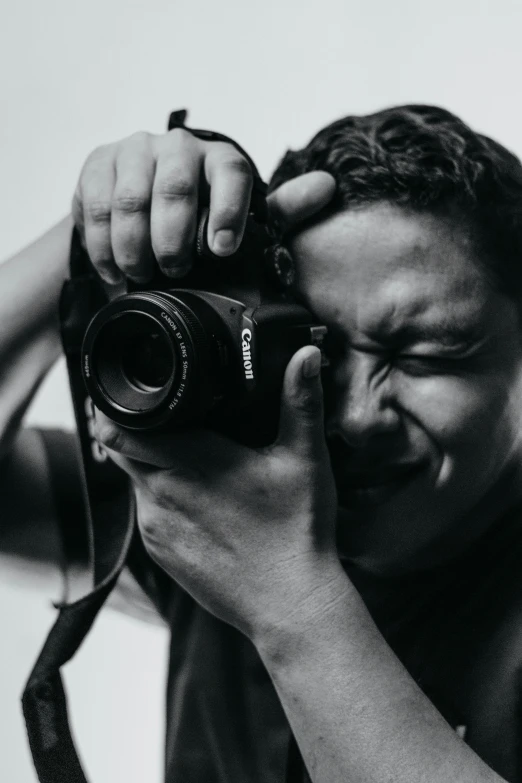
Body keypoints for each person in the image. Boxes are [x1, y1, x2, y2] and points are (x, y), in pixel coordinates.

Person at [1, 103, 521, 783]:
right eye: (317, 349)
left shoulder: (246, 538)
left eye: (426, 353)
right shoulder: (222, 503)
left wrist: (290, 602)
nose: (358, 416)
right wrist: (98, 228)